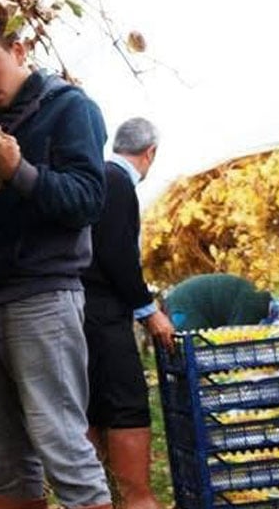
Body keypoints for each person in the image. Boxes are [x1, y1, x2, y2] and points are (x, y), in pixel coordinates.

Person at [0, 10, 111, 509]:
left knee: (64, 450)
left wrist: (18, 172)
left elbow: (87, 201)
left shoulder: (70, 109)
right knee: (7, 460)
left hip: (41, 301)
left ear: (19, 51)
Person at [82, 118, 174, 509]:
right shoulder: (117, 182)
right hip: (102, 314)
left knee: (91, 404)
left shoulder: (98, 176)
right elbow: (118, 256)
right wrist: (149, 311)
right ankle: (137, 497)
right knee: (125, 403)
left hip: (79, 312)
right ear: (150, 152)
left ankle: (99, 496)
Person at [162, 273, 272, 331]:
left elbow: (194, 340)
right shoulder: (177, 301)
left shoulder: (178, 309)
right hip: (250, 297)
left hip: (246, 303)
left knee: (239, 346)